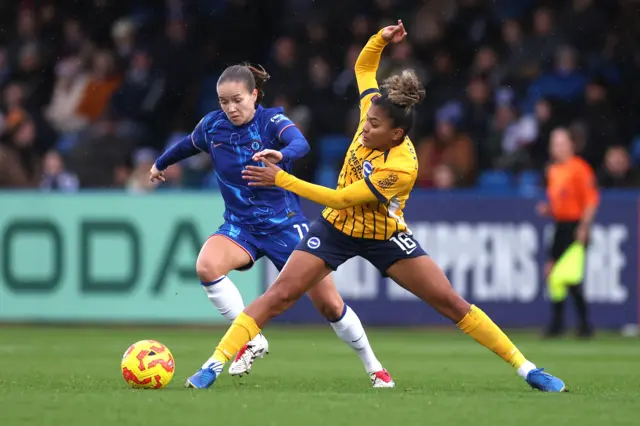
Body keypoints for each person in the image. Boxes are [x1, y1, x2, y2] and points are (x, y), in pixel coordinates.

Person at [186, 21, 567, 393]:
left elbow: (342, 197)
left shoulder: (402, 167)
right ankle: (212, 366)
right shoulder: (374, 109)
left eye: (374, 126)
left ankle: (527, 369)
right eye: (366, 120)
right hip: (335, 229)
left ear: (396, 134)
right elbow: (364, 68)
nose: (364, 127)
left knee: (452, 303)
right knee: (278, 296)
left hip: (383, 235)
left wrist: (281, 179)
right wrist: (379, 39)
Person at [150, 63, 394, 387]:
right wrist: (160, 164)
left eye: (237, 99)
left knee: (330, 304)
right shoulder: (212, 127)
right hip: (241, 227)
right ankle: (251, 337)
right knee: (207, 267)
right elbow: (188, 145)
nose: (230, 108)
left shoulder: (271, 121)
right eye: (223, 101)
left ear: (254, 95)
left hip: (285, 228)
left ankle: (375, 367)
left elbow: (301, 144)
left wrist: (282, 154)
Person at [536, 127, 599, 338]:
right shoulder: (553, 170)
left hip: (575, 226)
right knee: (555, 277)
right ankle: (562, 324)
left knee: (567, 276)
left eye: (562, 143)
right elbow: (560, 202)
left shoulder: (580, 169)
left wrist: (584, 227)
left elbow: (590, 201)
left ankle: (580, 325)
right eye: (555, 143)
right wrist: (549, 209)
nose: (558, 148)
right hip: (560, 226)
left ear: (572, 145)